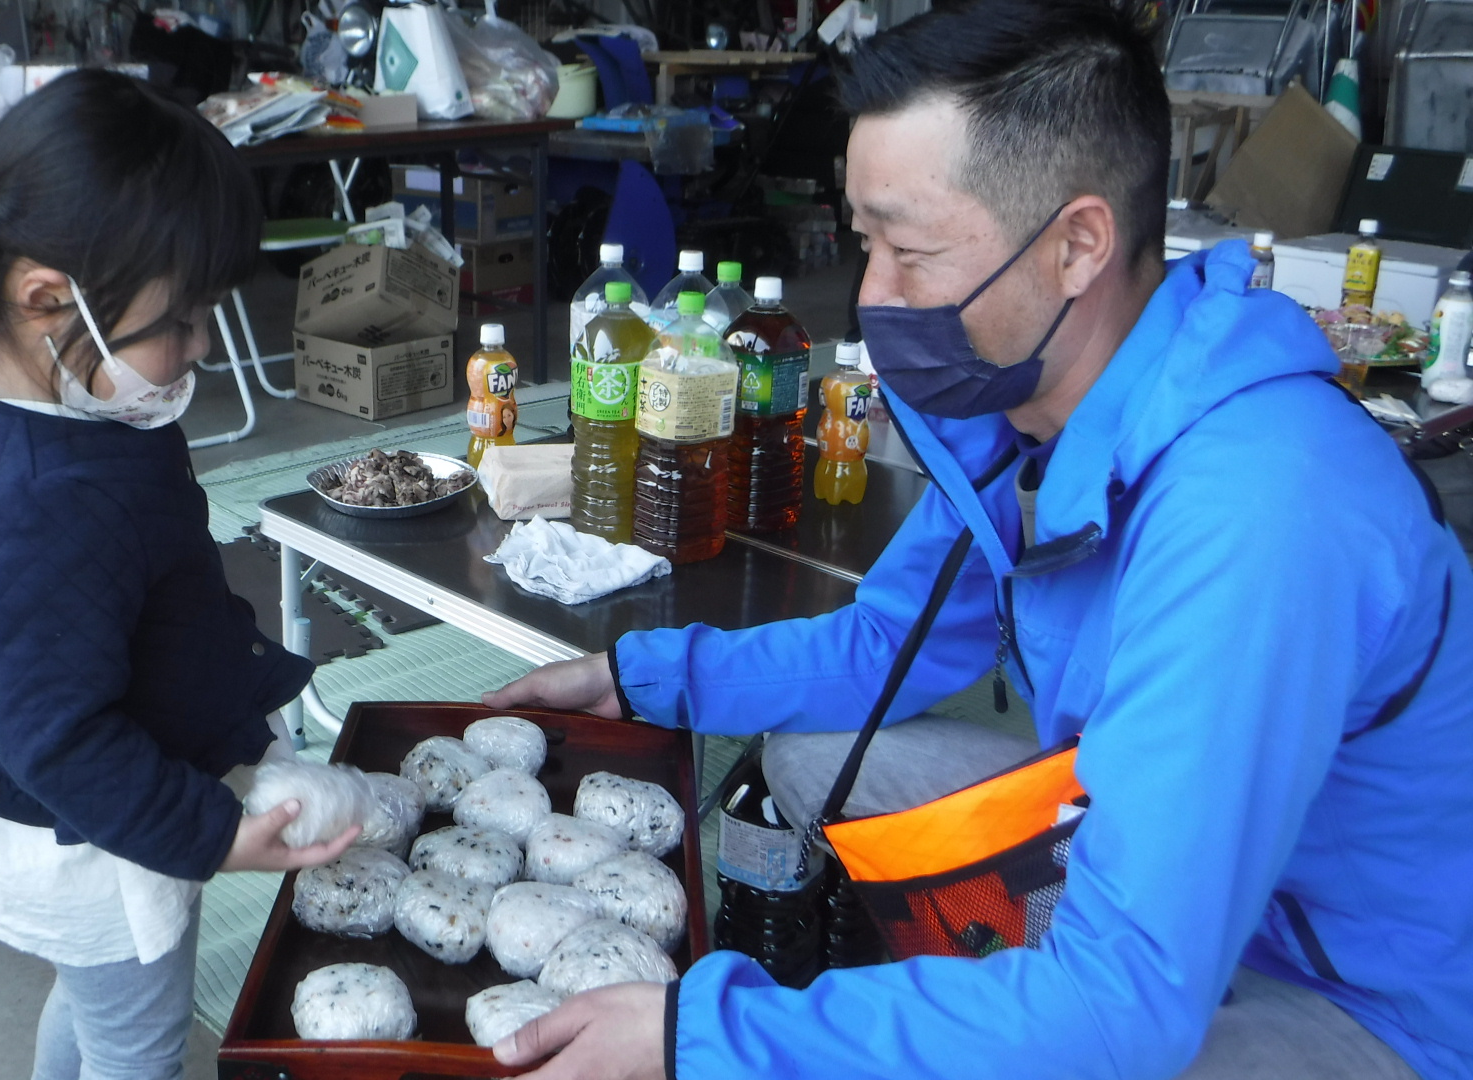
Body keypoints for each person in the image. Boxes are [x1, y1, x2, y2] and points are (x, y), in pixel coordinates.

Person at [483, 2, 1473, 1078]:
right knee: (811, 753)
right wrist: (640, 681)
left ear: (1077, 245)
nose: (872, 297)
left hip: (1353, 995)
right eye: (865, 244)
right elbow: (885, 647)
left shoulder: (1260, 510)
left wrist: (705, 1039)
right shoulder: (1026, 418)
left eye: (909, 250)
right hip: (1153, 856)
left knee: (1077, 1033)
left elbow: (1124, 1002)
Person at [0, 70, 357, 1079]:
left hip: (36, 779)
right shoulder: (44, 504)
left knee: (93, 1006)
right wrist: (213, 835)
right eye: (180, 319)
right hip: (87, 830)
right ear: (47, 296)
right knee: (136, 1048)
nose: (200, 347)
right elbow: (59, 738)